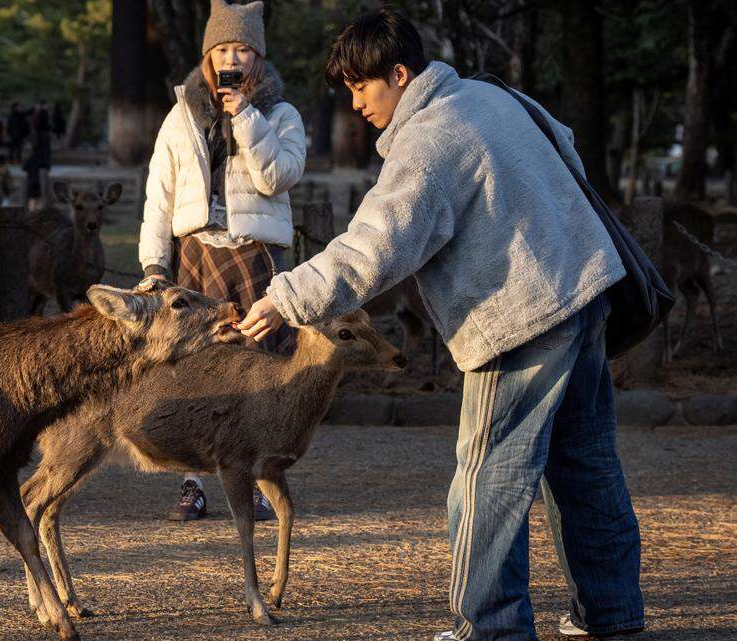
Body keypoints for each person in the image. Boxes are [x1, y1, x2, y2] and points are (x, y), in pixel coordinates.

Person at [235, 9, 643, 641]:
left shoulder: (429, 139)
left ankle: (490, 628)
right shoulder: (491, 95)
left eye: (362, 86)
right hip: (585, 290)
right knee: (585, 463)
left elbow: (373, 247)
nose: (356, 102)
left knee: (487, 480)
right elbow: (567, 150)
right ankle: (612, 616)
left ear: (399, 75)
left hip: (521, 319)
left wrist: (285, 297)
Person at [138, 0, 305, 522]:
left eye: (243, 50)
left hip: (254, 254)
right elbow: (159, 195)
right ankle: (193, 484)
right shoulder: (180, 114)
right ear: (208, 57)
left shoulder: (280, 114)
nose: (232, 59)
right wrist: (153, 265)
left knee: (257, 368)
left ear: (258, 56)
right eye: (223, 49)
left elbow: (278, 179)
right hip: (196, 253)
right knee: (194, 369)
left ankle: (253, 481)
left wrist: (246, 117)